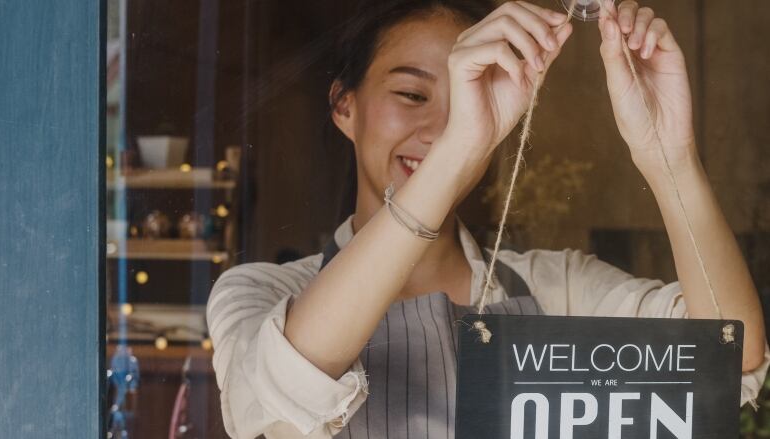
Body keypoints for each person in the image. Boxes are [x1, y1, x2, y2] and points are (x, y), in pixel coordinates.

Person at [206, 1, 770, 438]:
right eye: (411, 93)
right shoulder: (261, 292)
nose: (443, 126)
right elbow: (284, 387)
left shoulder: (560, 288)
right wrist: (454, 152)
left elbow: (726, 357)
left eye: (468, 98)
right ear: (343, 105)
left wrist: (668, 154)